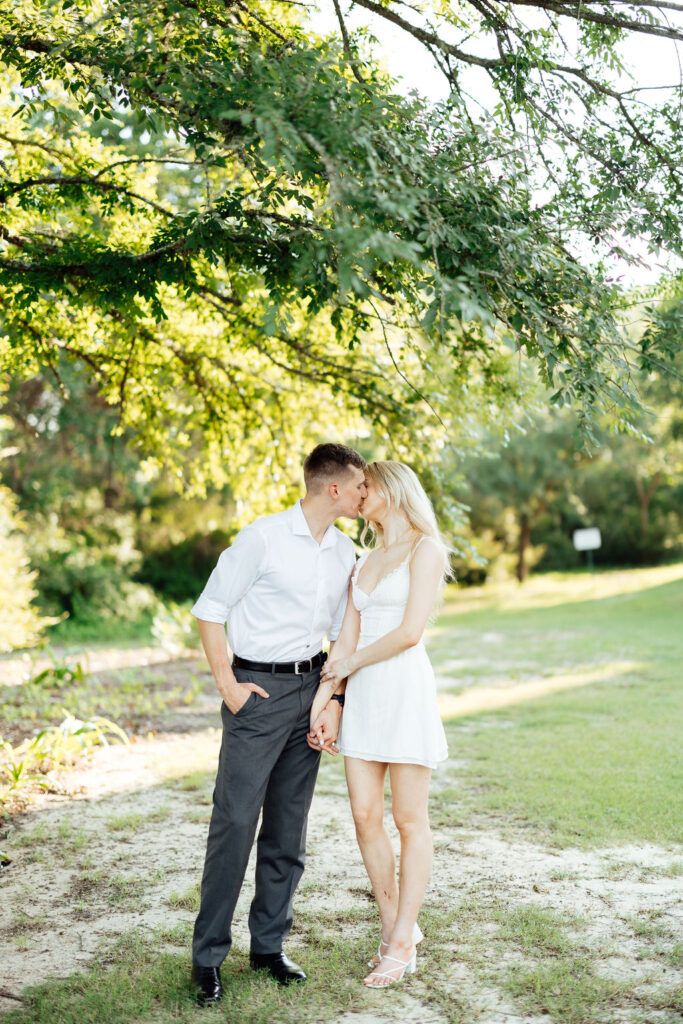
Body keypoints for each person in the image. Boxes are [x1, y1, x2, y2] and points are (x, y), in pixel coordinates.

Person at [189, 443, 367, 1006]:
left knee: (288, 831)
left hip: (311, 689)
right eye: (361, 486)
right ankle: (207, 958)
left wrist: (331, 700)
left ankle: (268, 946)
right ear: (333, 489)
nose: (368, 494)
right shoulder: (261, 537)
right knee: (235, 824)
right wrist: (230, 688)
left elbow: (344, 635)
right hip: (257, 693)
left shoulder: (345, 553)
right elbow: (210, 610)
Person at [308, 460, 449, 989]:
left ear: (393, 489)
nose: (360, 494)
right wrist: (325, 700)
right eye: (359, 486)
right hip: (364, 696)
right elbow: (344, 641)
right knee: (366, 816)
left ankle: (401, 936)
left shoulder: (426, 549)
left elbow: (411, 631)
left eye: (368, 485)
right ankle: (396, 929)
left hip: (405, 692)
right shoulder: (363, 561)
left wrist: (350, 664)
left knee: (410, 821)